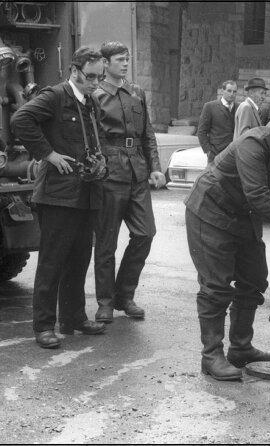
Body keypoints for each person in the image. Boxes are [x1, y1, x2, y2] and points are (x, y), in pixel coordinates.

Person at [185, 101, 270, 381]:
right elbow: (258, 194)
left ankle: (240, 347)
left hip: (242, 216)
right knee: (216, 286)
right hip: (210, 213)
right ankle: (211, 356)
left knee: (254, 279)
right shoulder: (254, 143)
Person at [11, 46, 107, 348]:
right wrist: (48, 154)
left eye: (99, 77)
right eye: (89, 76)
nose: (94, 82)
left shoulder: (90, 102)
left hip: (86, 193)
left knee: (79, 259)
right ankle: (43, 326)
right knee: (52, 262)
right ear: (74, 70)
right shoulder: (55, 96)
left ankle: (73, 318)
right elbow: (20, 120)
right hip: (57, 195)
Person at [92, 41, 166, 324]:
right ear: (106, 63)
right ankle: (106, 302)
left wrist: (156, 168)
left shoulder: (136, 92)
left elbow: (147, 133)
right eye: (120, 59)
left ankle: (125, 295)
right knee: (106, 243)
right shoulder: (96, 95)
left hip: (137, 171)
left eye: (127, 59)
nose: (125, 63)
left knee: (146, 233)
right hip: (110, 173)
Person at [197, 80, 238, 164]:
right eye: (229, 91)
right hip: (216, 153)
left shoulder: (239, 107)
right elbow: (201, 131)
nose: (232, 94)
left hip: (233, 154)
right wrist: (208, 151)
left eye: (234, 92)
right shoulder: (210, 107)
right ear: (223, 91)